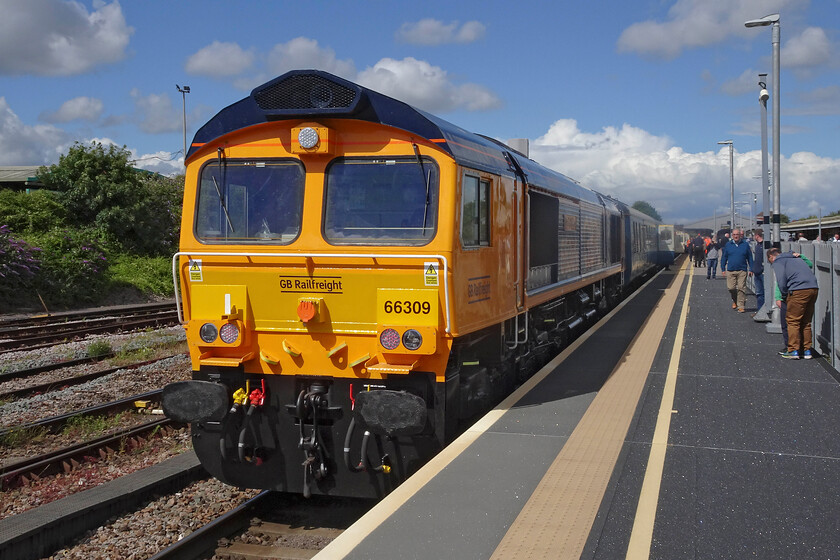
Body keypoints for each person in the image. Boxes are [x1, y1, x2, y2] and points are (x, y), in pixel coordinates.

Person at [768, 248, 819, 359]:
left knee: (792, 320)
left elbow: (781, 281)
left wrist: (784, 296)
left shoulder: (779, 261)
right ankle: (807, 350)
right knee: (806, 321)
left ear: (771, 257)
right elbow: (809, 264)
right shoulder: (796, 258)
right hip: (813, 288)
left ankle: (793, 350)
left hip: (798, 289)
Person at [720, 228, 753, 312]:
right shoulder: (728, 245)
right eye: (734, 235)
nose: (735, 236)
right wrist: (723, 268)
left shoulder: (745, 245)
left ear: (740, 235)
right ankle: (735, 300)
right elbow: (724, 257)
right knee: (731, 288)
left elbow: (750, 257)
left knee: (741, 287)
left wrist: (751, 269)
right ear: (732, 236)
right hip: (731, 269)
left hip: (742, 269)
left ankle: (741, 306)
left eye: (737, 234)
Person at [751, 230, 765, 314]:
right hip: (757, 272)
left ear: (757, 236)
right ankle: (760, 311)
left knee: (764, 292)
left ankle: (764, 310)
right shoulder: (757, 246)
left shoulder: (765, 246)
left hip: (763, 272)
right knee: (759, 293)